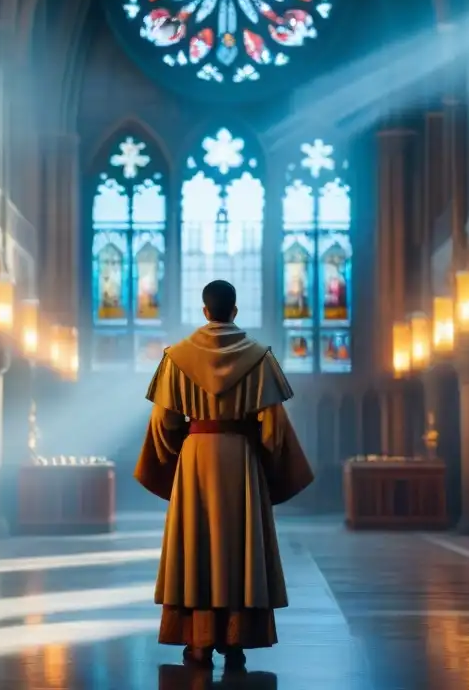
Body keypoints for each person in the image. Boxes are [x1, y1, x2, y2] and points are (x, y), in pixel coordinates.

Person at [134, 279, 314, 671]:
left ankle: (197, 644)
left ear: (205, 310)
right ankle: (235, 641)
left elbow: (163, 425)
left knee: (197, 548)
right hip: (240, 461)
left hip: (196, 459)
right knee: (239, 548)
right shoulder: (258, 358)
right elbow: (273, 430)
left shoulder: (176, 358)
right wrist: (260, 460)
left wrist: (182, 451)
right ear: (234, 311)